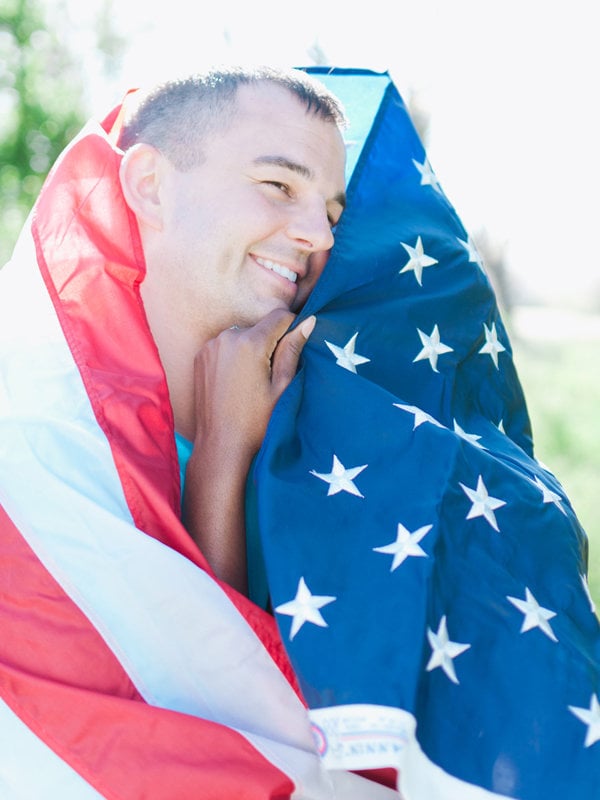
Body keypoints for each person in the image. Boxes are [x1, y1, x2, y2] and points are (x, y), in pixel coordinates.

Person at [0, 66, 396, 799]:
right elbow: (179, 744)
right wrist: (220, 463)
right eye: (278, 186)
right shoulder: (27, 441)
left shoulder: (312, 423)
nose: (316, 236)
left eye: (332, 213)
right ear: (150, 183)